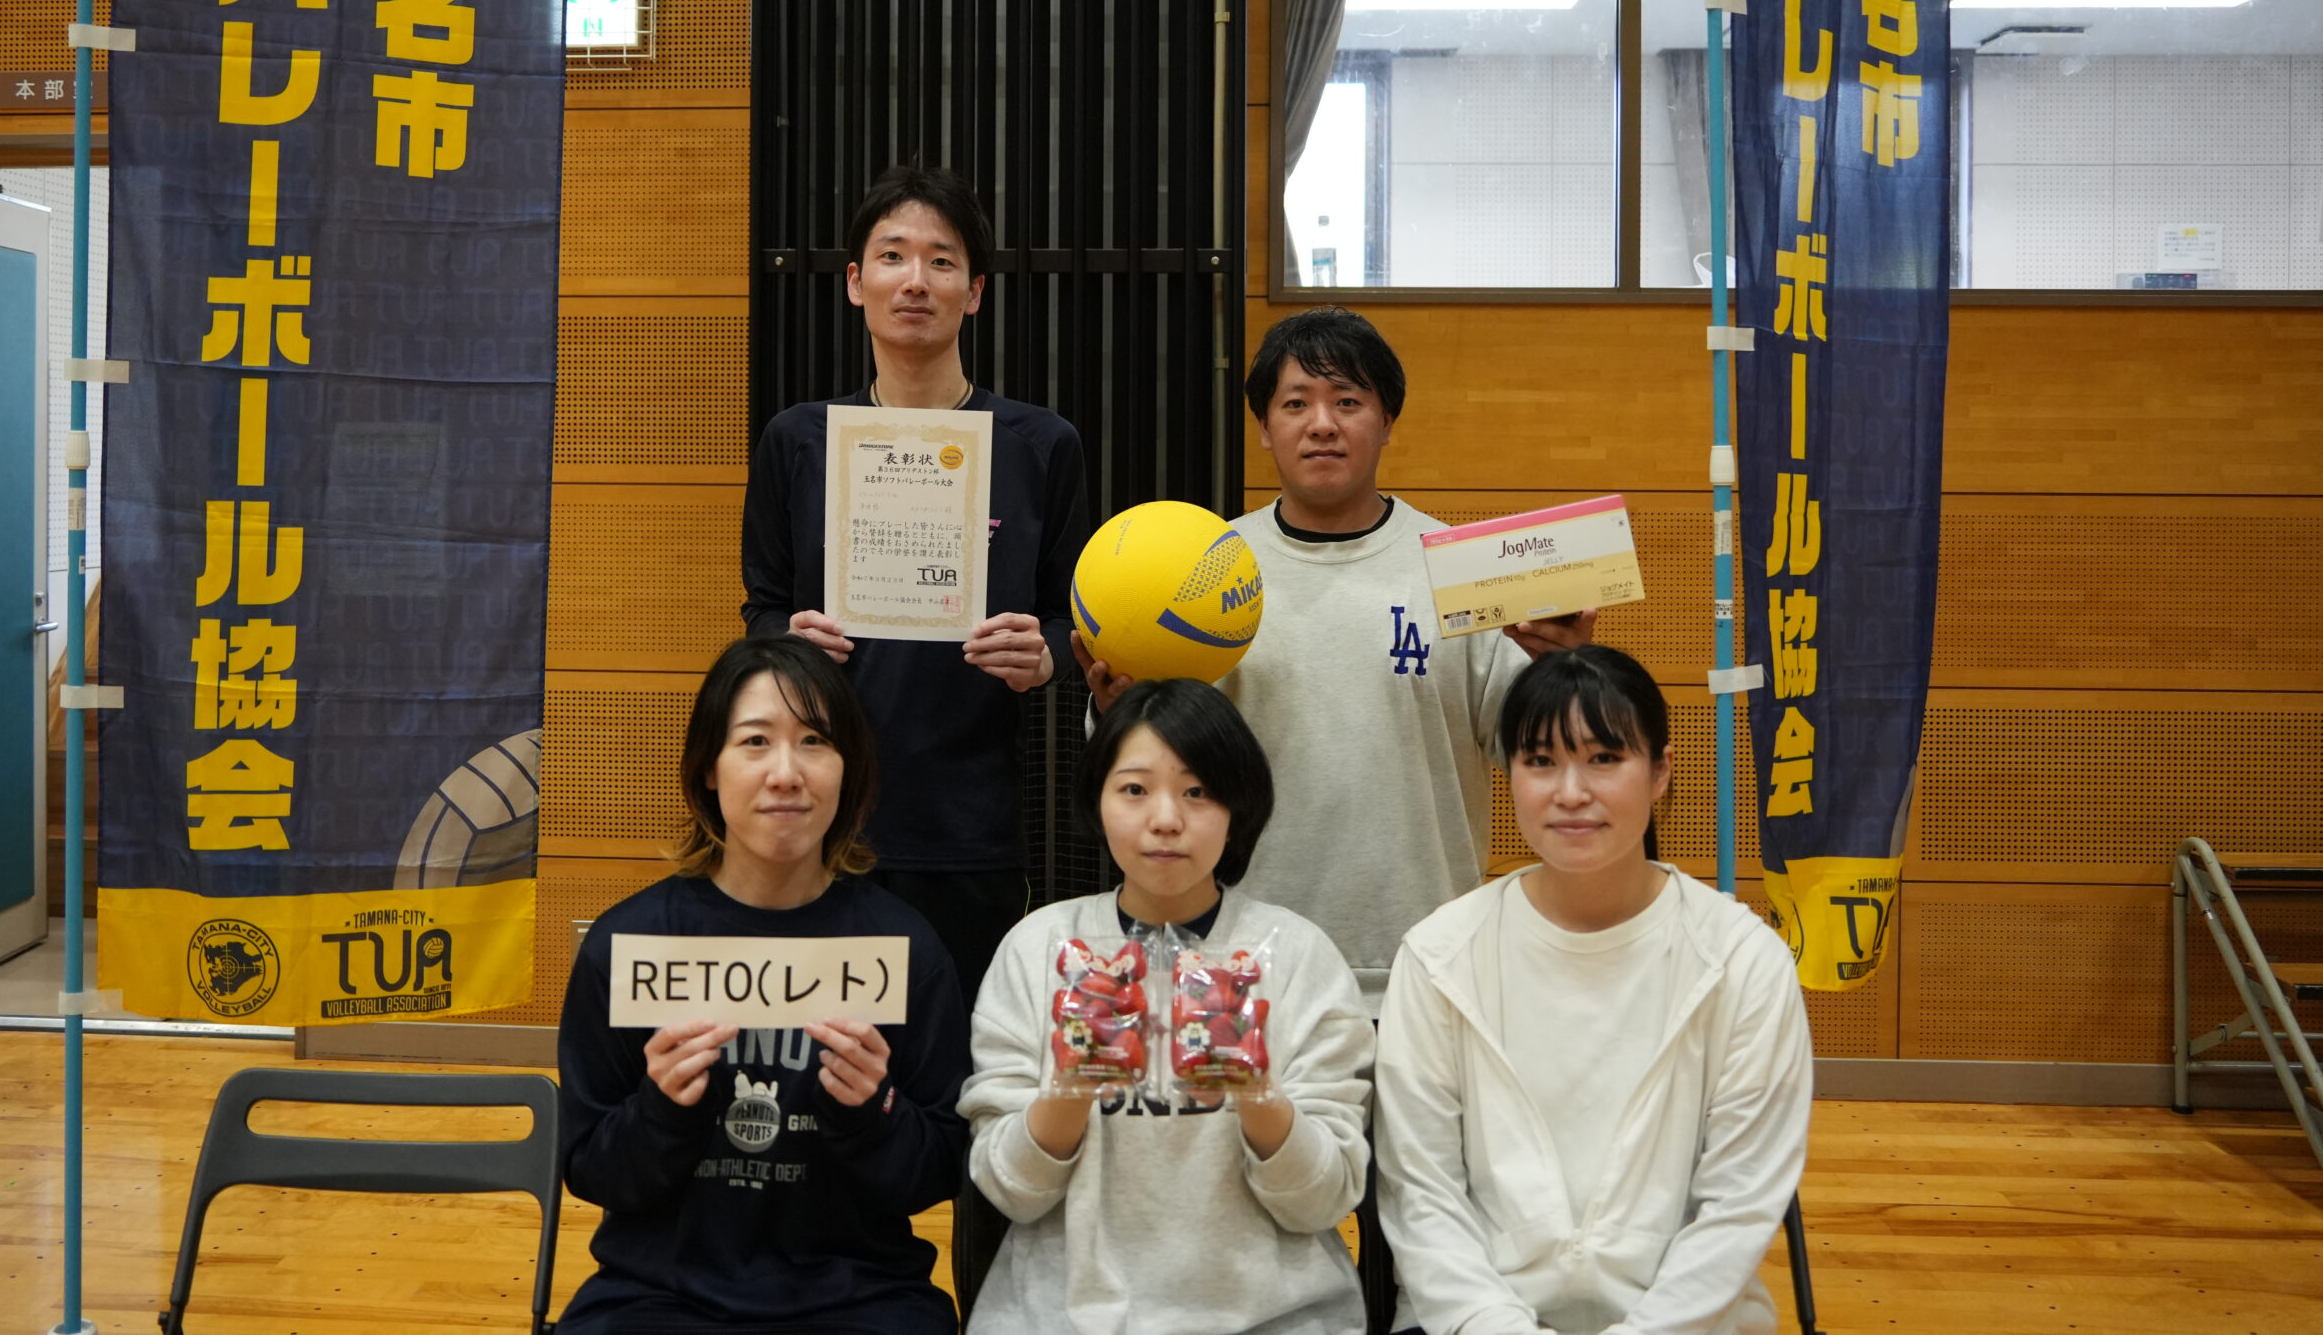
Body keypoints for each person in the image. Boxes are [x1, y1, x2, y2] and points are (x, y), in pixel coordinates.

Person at [1085, 306, 1591, 1015]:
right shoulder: (1199, 575)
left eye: (1347, 401)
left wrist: (1563, 672)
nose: (1321, 424)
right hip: (1238, 971)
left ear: (1387, 421)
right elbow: (1141, 772)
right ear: (1265, 427)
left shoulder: (1461, 573)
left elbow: (1541, 758)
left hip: (1427, 972)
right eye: (1296, 404)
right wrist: (1118, 711)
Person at [1375, 645, 1812, 1335]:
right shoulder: (1439, 957)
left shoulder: (1742, 960)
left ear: (1661, 770)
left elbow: (1738, 1206)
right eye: (1540, 760)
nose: (1571, 792)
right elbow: (1423, 1199)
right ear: (1509, 774)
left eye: (1604, 758)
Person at [742, 164, 1090, 1001]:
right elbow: (762, 607)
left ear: (975, 292)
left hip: (976, 826)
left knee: (963, 1053)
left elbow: (1072, 618)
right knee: (829, 1053)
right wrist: (786, 641)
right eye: (892, 256)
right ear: (855, 281)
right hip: (824, 816)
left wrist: (1045, 655)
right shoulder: (799, 440)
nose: (915, 281)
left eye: (942, 261)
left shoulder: (1041, 445)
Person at [555, 635, 971, 1335]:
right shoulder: (629, 946)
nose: (786, 773)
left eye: (814, 741)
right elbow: (591, 1171)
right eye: (754, 741)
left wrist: (875, 1109)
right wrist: (659, 1110)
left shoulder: (904, 949)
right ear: (708, 768)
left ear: (847, 768)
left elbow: (938, 1171)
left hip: (860, 1296)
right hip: (659, 1296)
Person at [960, 679, 1376, 1335]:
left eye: (1198, 792)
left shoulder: (1298, 956)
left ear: (1239, 806)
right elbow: (1010, 1190)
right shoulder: (1038, 949)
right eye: (1134, 789)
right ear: (1097, 800)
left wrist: (1256, 1091)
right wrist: (1072, 1083)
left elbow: (1323, 1200)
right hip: (1057, 1319)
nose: (1165, 818)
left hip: (1273, 1318)